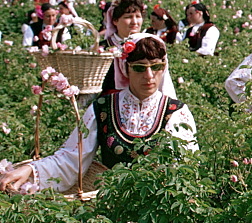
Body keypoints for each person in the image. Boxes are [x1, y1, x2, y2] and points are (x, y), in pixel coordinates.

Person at [0, 34, 197, 195]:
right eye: (139, 68)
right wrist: (30, 170)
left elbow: (186, 169)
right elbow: (71, 159)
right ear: (125, 68)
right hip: (110, 209)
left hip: (161, 212)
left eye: (156, 67)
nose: (149, 76)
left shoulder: (176, 113)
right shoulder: (102, 108)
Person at [102, 0, 176, 97]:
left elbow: (163, 80)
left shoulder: (148, 45)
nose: (134, 22)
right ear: (115, 20)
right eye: (128, 17)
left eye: (138, 16)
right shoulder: (103, 48)